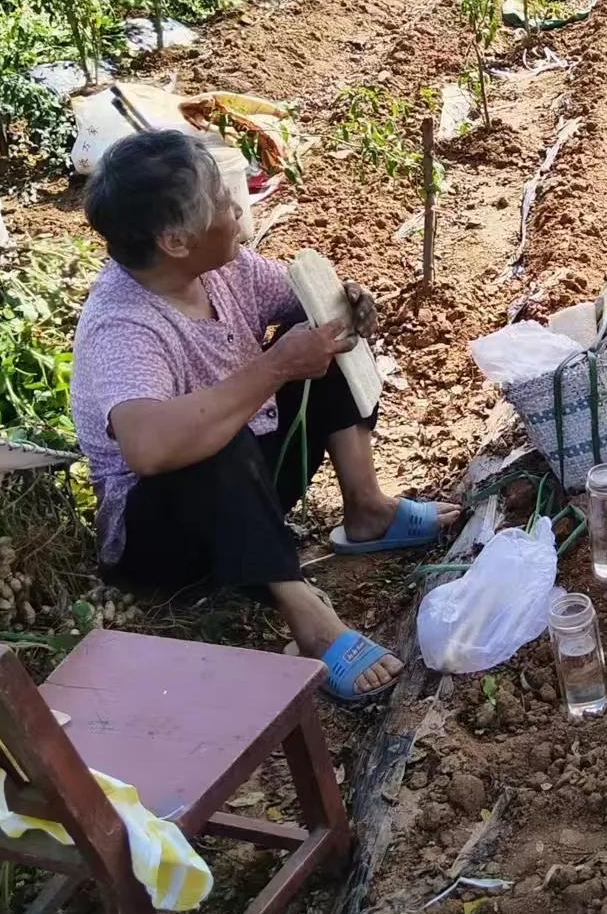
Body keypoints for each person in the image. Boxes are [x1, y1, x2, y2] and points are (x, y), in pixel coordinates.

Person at [70, 130, 459, 705]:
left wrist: (340, 308)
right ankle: (305, 614)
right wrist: (275, 367)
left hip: (246, 488)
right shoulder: (125, 326)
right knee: (205, 439)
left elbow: (297, 303)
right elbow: (148, 448)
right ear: (177, 240)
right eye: (221, 203)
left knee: (317, 339)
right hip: (167, 534)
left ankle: (368, 510)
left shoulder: (225, 270)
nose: (236, 207)